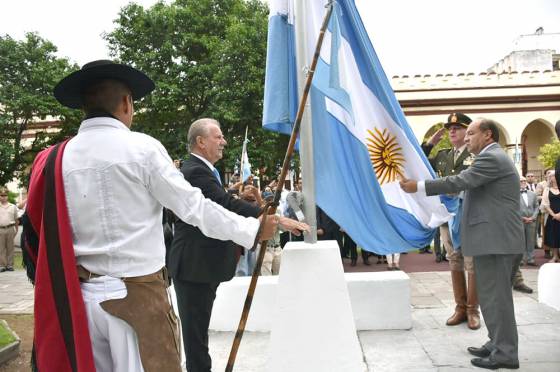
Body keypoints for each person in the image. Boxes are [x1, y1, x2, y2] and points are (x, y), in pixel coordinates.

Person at [24, 60, 279, 372]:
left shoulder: (54, 159)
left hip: (81, 302)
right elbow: (194, 207)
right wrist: (253, 230)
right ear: (126, 103)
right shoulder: (142, 149)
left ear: (84, 106)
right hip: (138, 299)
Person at [168, 118, 308, 372]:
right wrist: (273, 219)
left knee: (198, 335)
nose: (224, 142)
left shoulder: (206, 170)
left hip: (201, 266)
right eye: (218, 137)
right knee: (196, 339)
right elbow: (226, 204)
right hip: (193, 267)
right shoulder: (195, 171)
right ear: (200, 142)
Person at [400, 117, 523, 370]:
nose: (466, 138)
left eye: (470, 133)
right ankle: (497, 342)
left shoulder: (492, 158)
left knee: (497, 300)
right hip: (494, 241)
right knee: (493, 299)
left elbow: (459, 181)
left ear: (487, 135)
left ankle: (505, 353)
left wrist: (418, 186)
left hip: (496, 242)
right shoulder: (492, 157)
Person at [421, 112, 480, 330]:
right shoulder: (443, 155)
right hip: (447, 215)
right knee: (454, 259)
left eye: (457, 127)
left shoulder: (476, 156)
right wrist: (429, 144)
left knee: (472, 262)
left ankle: (474, 310)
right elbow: (418, 161)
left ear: (467, 131)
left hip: (469, 215)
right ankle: (460, 308)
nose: (452, 131)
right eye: (449, 128)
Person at [519, 176, 539, 266]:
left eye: (524, 181)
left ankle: (531, 259)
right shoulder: (513, 194)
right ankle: (521, 260)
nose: (523, 182)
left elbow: (536, 207)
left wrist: (532, 217)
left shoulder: (533, 194)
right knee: (521, 240)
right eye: (521, 181)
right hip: (519, 221)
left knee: (531, 240)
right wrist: (522, 217)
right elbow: (512, 208)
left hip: (531, 221)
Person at [541, 170, 560, 263]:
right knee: (553, 236)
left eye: (556, 175)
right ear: (550, 178)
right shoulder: (547, 189)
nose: (554, 177)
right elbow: (545, 204)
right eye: (552, 176)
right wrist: (554, 215)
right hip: (552, 216)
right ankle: (555, 256)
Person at [0, 187, 18, 272]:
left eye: (5, 195)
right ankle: (2, 265)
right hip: (1, 229)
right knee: (1, 248)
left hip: (10, 228)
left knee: (10, 247)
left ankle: (10, 265)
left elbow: (16, 219)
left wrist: (16, 229)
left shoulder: (13, 207)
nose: (3, 197)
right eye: (2, 195)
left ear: (7, 196)